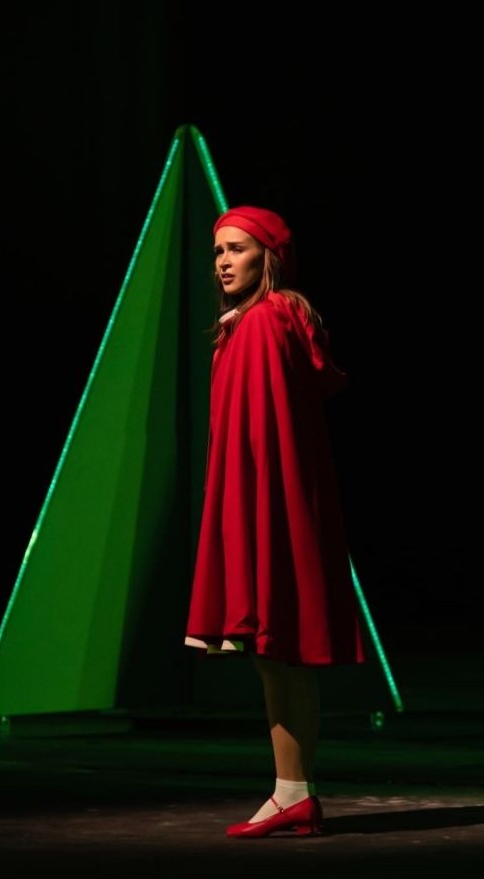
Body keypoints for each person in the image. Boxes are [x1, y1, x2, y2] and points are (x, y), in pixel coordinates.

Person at [183, 205, 367, 839]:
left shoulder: (264, 322)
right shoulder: (261, 322)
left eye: (237, 249)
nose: (223, 262)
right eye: (218, 251)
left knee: (275, 647)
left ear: (270, 257)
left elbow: (262, 435)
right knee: (280, 652)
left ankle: (293, 791)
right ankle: (294, 792)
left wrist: (245, 515)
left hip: (265, 501)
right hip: (274, 499)